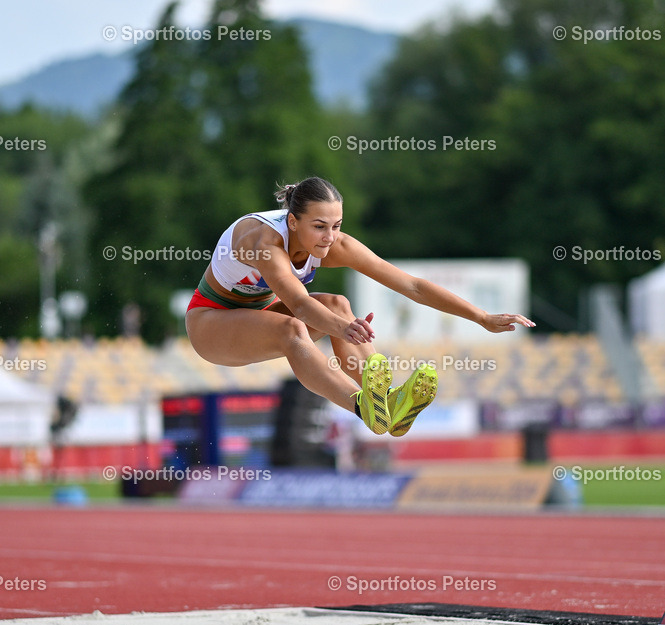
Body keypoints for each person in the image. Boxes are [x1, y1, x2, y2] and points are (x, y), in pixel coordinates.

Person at [184, 176, 533, 436]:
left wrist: (481, 316)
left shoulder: (332, 243)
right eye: (319, 227)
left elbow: (411, 284)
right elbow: (300, 306)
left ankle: (388, 401)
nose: (330, 238)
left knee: (338, 303)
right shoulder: (264, 242)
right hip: (211, 324)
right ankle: (361, 405)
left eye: (336, 226)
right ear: (292, 221)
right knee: (296, 327)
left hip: (257, 316)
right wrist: (343, 327)